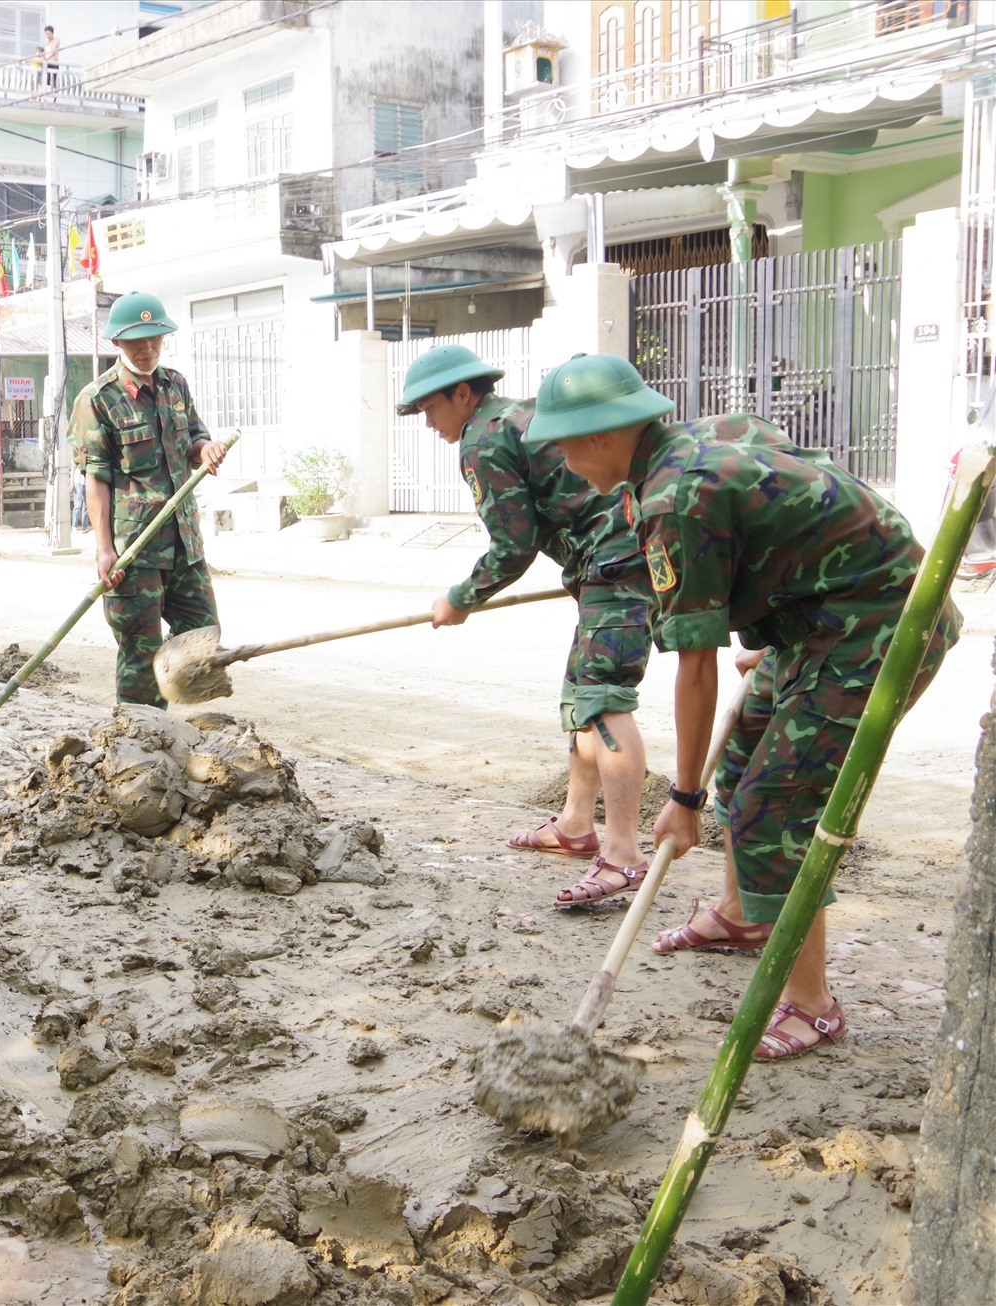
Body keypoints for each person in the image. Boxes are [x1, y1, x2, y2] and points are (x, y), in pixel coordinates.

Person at [523, 353, 961, 1061]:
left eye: (566, 446)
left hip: (880, 625)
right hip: (826, 614)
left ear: (603, 435)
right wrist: (786, 605)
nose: (565, 462)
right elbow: (798, 490)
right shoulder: (701, 436)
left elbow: (695, 670)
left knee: (771, 806)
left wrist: (685, 800)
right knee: (744, 758)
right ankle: (740, 915)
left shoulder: (673, 498)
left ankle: (812, 1004)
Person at [399, 345, 653, 906]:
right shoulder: (517, 416)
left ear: (462, 394)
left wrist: (461, 597)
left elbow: (514, 543)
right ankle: (575, 824)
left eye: (430, 408)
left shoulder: (484, 438)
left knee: (604, 697)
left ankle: (624, 854)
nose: (428, 421)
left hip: (618, 560)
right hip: (608, 558)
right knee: (581, 696)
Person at [68, 290, 227, 705]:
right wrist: (104, 550)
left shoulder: (176, 386)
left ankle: (177, 731)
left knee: (203, 635)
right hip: (135, 552)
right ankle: (138, 745)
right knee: (141, 653)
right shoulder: (97, 400)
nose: (147, 348)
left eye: (155, 338)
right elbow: (96, 478)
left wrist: (204, 448)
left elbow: (193, 437)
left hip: (184, 543)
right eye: (137, 340)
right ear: (117, 343)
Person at [35, 24, 59, 89]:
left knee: (53, 81)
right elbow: (41, 51)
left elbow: (53, 51)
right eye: (46, 34)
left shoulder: (56, 40)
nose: (47, 36)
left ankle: (54, 97)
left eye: (49, 34)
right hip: (46, 63)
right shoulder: (45, 43)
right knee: (45, 80)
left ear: (52, 33)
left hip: (53, 62)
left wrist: (47, 58)